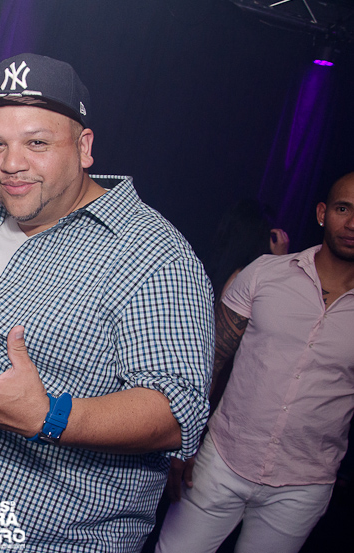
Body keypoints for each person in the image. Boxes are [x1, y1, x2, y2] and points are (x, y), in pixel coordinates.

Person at [0, 54, 214, 552]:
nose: (11, 164)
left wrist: (50, 417)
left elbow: (178, 409)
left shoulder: (151, 254)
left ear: (84, 148)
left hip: (50, 535)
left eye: (36, 143)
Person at [156, 173, 354, 553]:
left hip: (303, 484)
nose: (352, 223)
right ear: (322, 213)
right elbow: (211, 360)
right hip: (222, 460)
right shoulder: (265, 272)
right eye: (343, 209)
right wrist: (185, 443)